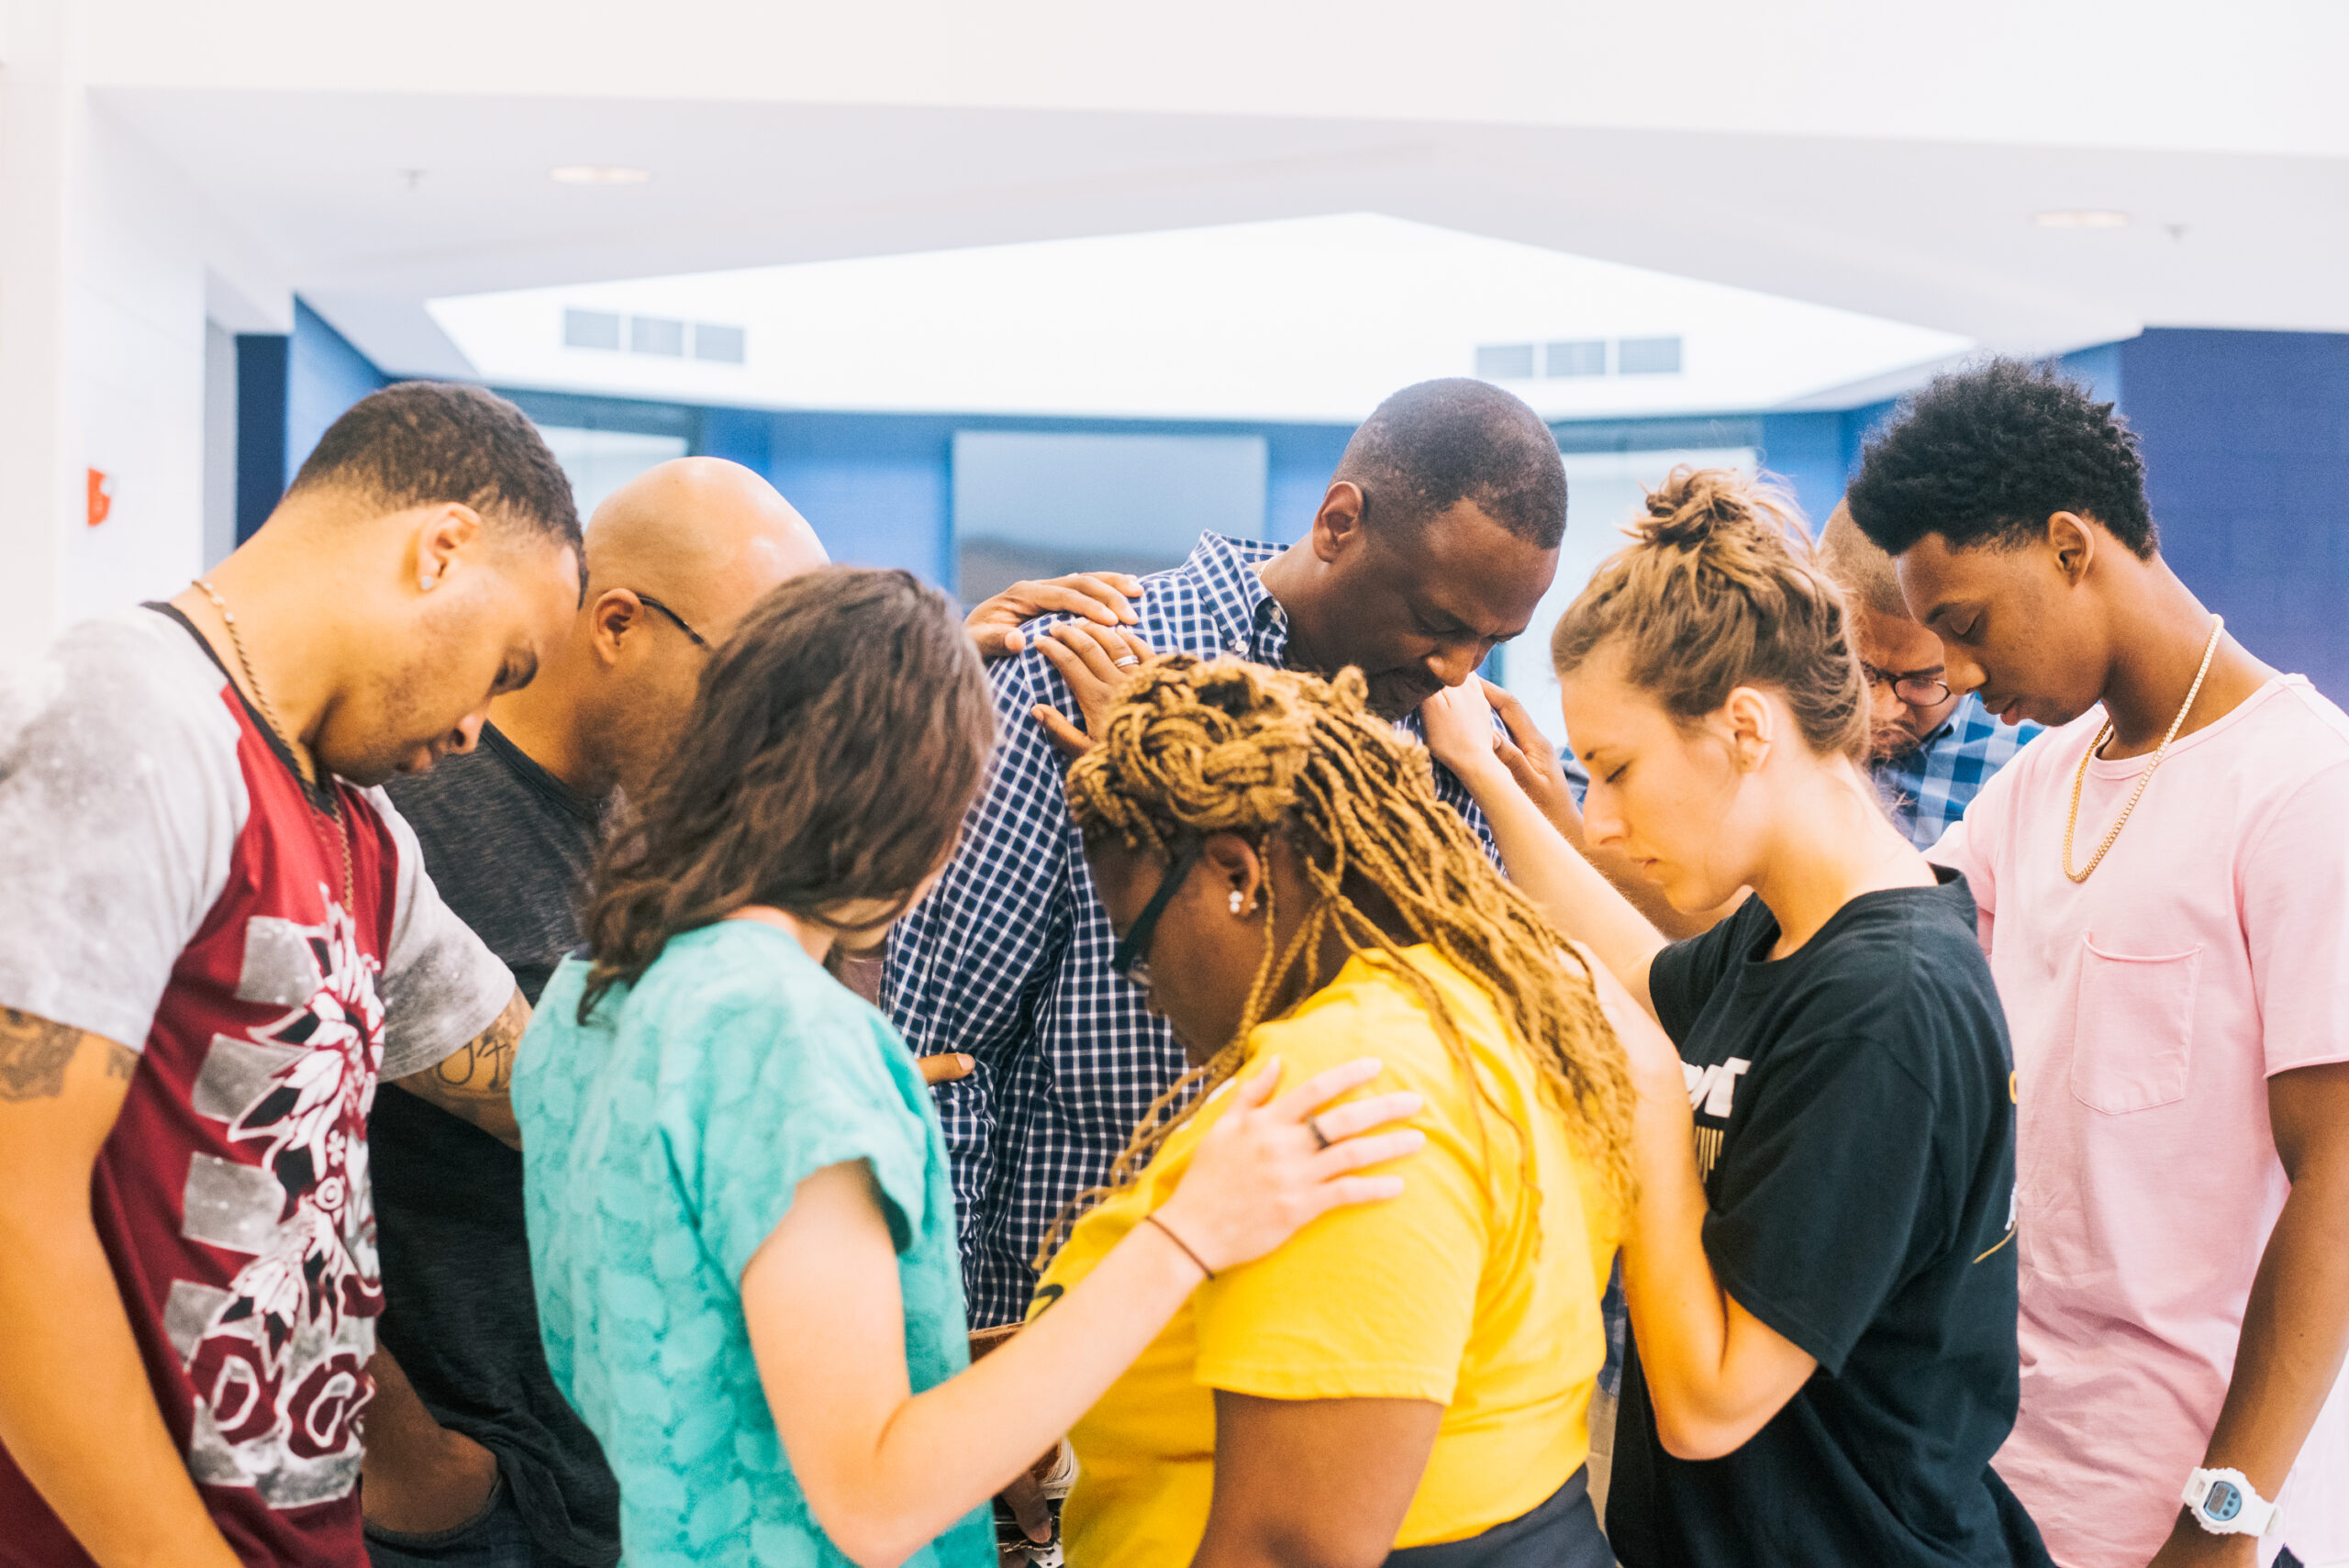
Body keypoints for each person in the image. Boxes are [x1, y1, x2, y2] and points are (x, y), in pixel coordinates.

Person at [510, 567, 1424, 1566]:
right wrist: (1188, 1229)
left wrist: (971, 1368)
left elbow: (711, 1332)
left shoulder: (589, 997)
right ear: (921, 802)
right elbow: (874, 1495)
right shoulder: (789, 1038)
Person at [361, 456, 1161, 1567]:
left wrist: (902, 698)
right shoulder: (422, 818)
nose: (773, 717)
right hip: (508, 1492)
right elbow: (875, 1497)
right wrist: (1183, 1236)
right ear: (619, 620)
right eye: (763, 670)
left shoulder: (624, 966)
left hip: (641, 1491)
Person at [1420, 467, 2047, 1566]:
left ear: (1745, 727)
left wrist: (1652, 1096)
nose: (1601, 826)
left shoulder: (1882, 1005)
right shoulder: (1785, 932)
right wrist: (1479, 777)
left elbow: (1710, 1402)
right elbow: (1635, 965)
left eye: (1615, 771)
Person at [0, 382, 579, 1568]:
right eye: (505, 663)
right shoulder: (138, 720)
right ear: (440, 552)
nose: (479, 727)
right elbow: (13, 1212)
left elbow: (539, 1085)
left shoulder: (366, 836)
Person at [888, 376, 1572, 1329]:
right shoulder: (1078, 665)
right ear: (1338, 521)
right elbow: (943, 1059)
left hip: (1343, 1353)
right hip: (1064, 1364)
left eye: (1496, 641)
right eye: (1441, 622)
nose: (1459, 668)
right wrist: (951, 1358)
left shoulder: (1460, 748)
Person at [1846, 360, 2349, 1568]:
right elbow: (1866, 943)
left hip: (2195, 1516)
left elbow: (2340, 1174)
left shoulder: (2302, 786)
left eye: (1966, 624)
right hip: (2015, 1483)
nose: (1959, 676)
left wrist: (2226, 1520)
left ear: (2071, 545)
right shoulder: (2041, 785)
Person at [1027, 653, 1630, 1567]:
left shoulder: (1351, 1073)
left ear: (1237, 873)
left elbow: (1290, 1544)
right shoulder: (1480, 994)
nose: (1149, 996)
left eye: (1139, 948)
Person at [1817, 501, 2042, 849]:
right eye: (1858, 670)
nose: (1881, 709)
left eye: (1921, 682)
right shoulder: (1775, 716)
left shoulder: (2033, 758)